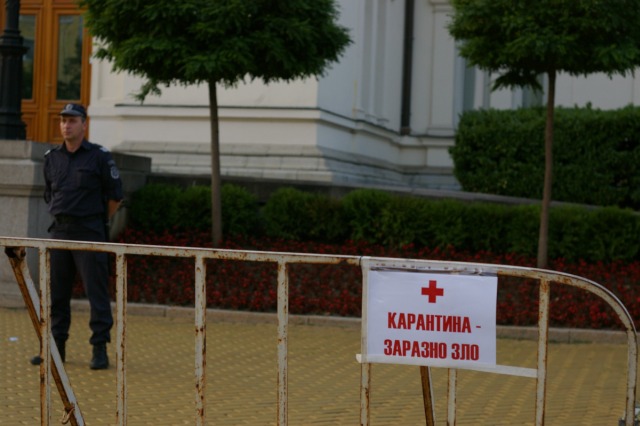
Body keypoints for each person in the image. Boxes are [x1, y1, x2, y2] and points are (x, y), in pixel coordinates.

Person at [31, 103, 123, 370]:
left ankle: (99, 348)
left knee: (96, 292)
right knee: (56, 294)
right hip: (60, 231)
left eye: (72, 121)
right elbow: (50, 194)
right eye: (63, 121)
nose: (66, 125)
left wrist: (95, 220)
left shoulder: (99, 157)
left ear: (84, 124)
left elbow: (115, 196)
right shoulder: (52, 157)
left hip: (89, 231)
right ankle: (56, 347)